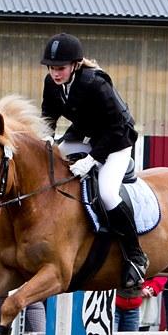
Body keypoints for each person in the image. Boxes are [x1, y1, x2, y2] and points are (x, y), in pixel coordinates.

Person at [40, 32, 147, 290]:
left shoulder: (95, 84)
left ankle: (136, 256)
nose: (55, 73)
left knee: (108, 194)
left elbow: (118, 128)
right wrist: (46, 139)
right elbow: (48, 116)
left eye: (60, 68)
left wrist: (92, 160)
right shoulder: (52, 83)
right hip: (84, 136)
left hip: (117, 142)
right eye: (52, 68)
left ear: (75, 64)